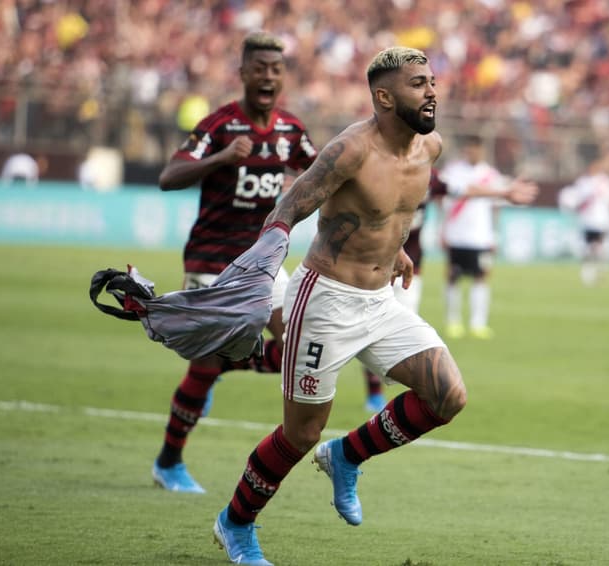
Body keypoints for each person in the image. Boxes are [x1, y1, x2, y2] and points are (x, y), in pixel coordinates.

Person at [211, 46, 468, 566]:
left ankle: (347, 455)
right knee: (299, 433)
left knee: (447, 396)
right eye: (418, 84)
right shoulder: (351, 150)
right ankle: (235, 523)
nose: (432, 91)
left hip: (381, 301)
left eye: (432, 80)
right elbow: (290, 205)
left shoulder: (431, 147)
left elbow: (387, 210)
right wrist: (263, 261)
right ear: (384, 96)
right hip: (326, 299)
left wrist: (392, 247)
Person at [151, 31, 318, 494]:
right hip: (214, 259)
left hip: (265, 258)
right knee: (202, 367)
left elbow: (322, 171)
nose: (268, 76)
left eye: (275, 69)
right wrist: (223, 157)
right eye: (259, 67)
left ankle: (223, 360)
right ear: (243, 73)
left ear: (282, 76)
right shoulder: (219, 125)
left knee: (297, 351)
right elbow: (169, 176)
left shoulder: (289, 130)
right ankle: (169, 462)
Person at [361, 168, 447, 412]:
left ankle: (413, 388)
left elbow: (461, 189)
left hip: (413, 269)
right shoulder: (390, 171)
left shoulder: (433, 177)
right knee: (370, 329)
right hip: (379, 267)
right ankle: (375, 393)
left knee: (408, 329)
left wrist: (503, 191)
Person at [439, 135, 538, 339]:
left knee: (481, 277)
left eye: (476, 149)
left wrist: (494, 234)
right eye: (469, 148)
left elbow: (496, 207)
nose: (472, 152)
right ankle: (453, 321)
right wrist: (443, 229)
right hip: (456, 234)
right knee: (452, 277)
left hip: (480, 236)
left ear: (482, 151)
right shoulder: (453, 171)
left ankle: (478, 323)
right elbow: (441, 199)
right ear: (465, 149)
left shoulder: (490, 175)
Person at [558, 150, 609, 286]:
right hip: (588, 220)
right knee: (589, 247)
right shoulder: (585, 182)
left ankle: (600, 272)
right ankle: (589, 273)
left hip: (601, 220)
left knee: (599, 247)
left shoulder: (605, 182)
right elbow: (576, 200)